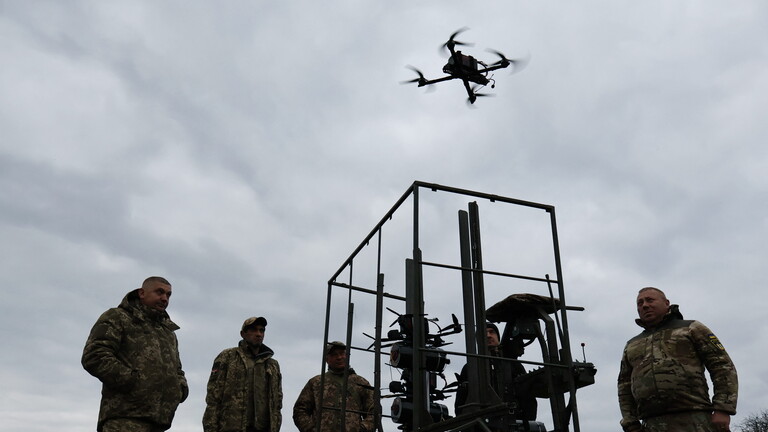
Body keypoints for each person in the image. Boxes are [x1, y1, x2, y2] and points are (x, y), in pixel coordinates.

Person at [618, 287, 738, 432]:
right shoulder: (632, 344)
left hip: (695, 419)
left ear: (666, 303)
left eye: (650, 300)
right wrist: (630, 422)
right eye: (640, 303)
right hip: (650, 424)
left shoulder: (691, 328)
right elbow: (624, 386)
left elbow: (722, 366)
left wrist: (723, 408)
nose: (644, 305)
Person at [82, 276, 188, 432]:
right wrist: (133, 381)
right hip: (124, 419)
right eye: (159, 292)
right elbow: (95, 355)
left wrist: (180, 388)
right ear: (142, 293)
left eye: (168, 294)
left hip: (159, 423)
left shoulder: (167, 332)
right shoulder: (118, 317)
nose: (164, 298)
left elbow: (177, 368)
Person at [203, 316, 283, 432]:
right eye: (254, 330)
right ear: (243, 334)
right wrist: (210, 428)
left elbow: (277, 404)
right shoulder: (227, 357)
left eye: (261, 330)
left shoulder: (272, 365)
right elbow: (213, 398)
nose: (258, 334)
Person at [454, 323, 536, 420]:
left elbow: (528, 397)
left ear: (498, 338)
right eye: (484, 333)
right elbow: (461, 401)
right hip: (480, 422)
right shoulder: (470, 367)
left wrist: (527, 422)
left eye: (491, 332)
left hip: (513, 420)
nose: (488, 335)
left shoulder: (514, 365)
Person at [293, 341, 375, 432]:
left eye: (342, 353)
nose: (339, 357)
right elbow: (300, 410)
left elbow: (374, 411)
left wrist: (362, 429)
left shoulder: (360, 383)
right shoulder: (316, 383)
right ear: (327, 359)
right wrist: (311, 429)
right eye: (334, 355)